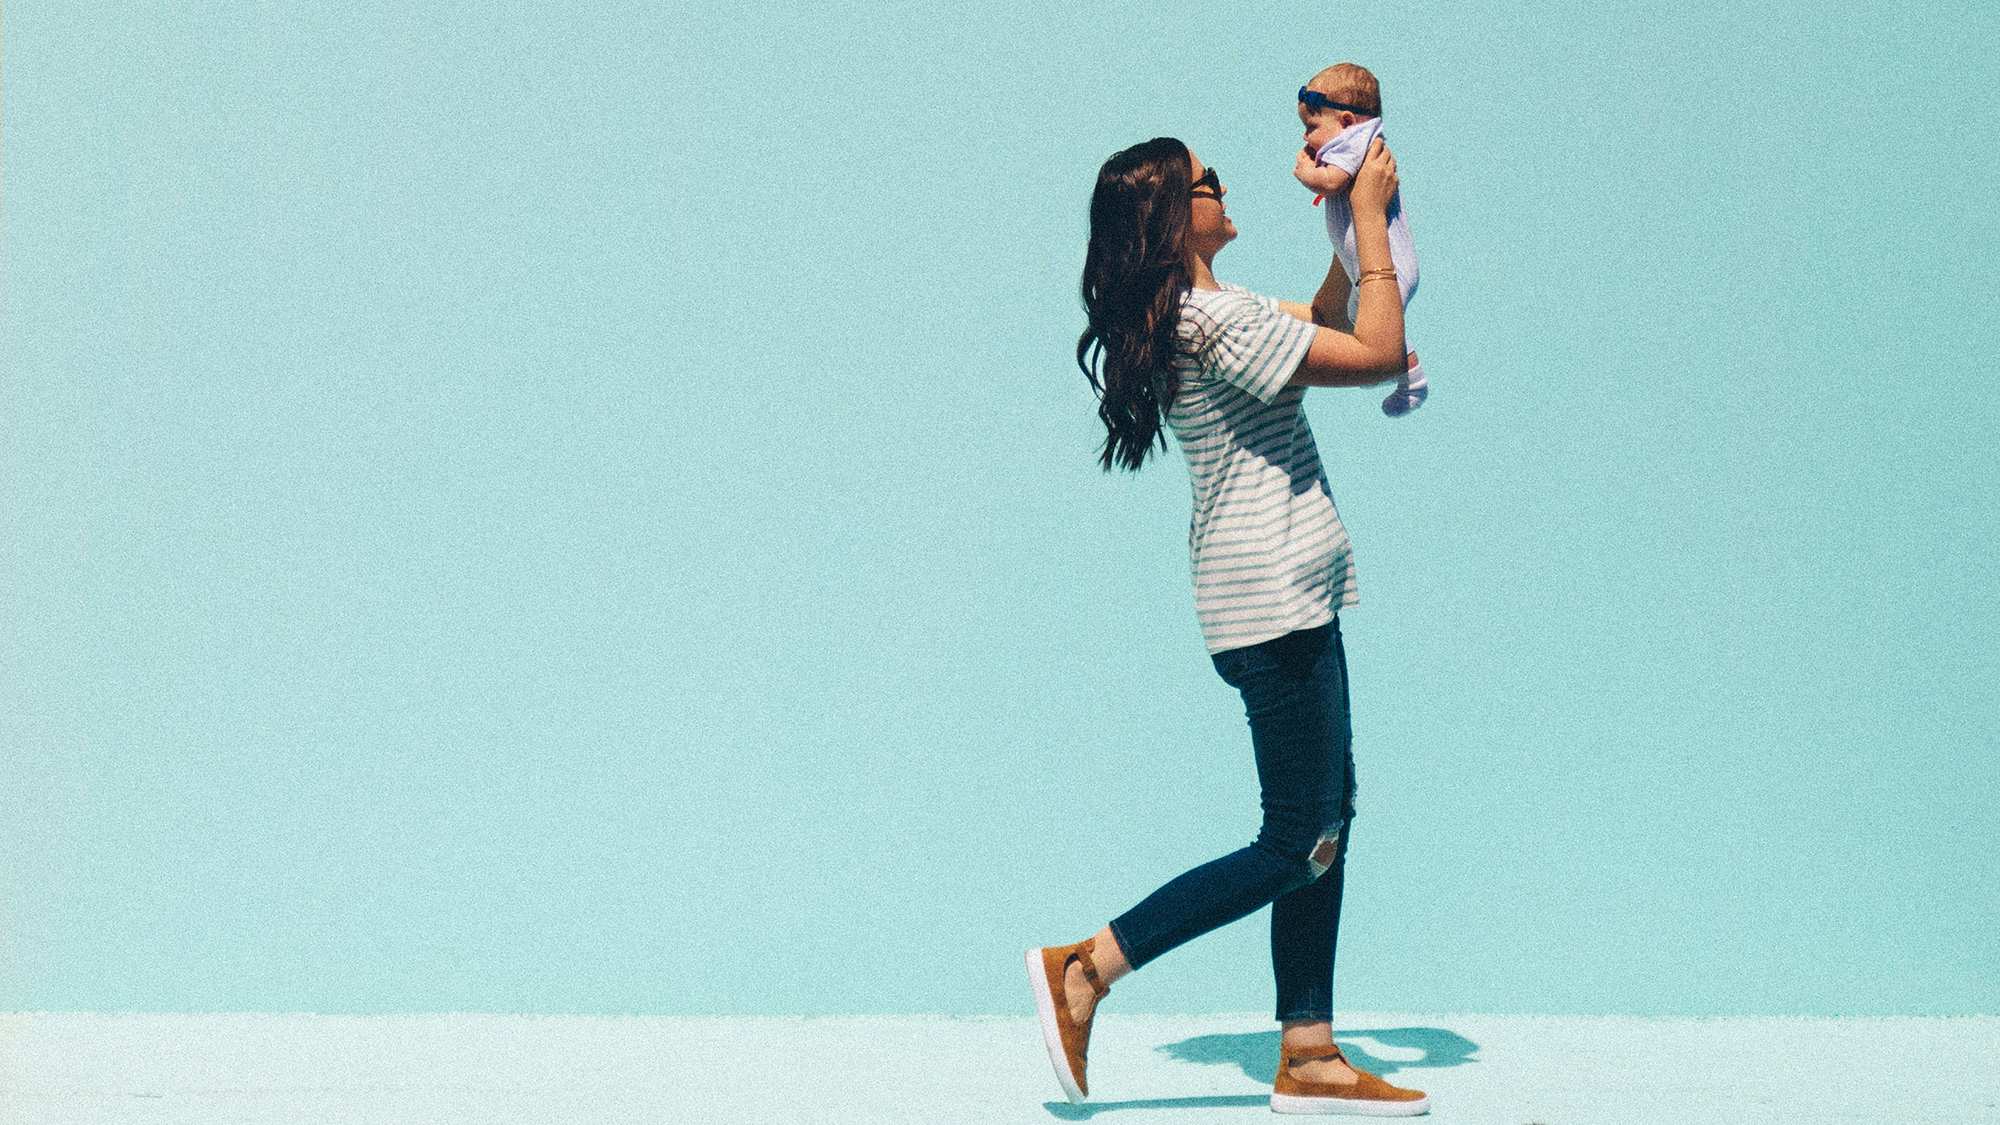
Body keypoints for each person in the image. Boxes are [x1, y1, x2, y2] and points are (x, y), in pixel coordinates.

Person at [1024, 133, 1431, 1117]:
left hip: (1273, 587)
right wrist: (1373, 223)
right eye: (1206, 182)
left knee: (1324, 818)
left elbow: (1329, 318)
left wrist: (1343, 224)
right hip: (1273, 593)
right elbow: (1374, 353)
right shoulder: (1209, 324)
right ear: (1174, 215)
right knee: (1296, 836)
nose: (1222, 187)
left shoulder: (1218, 313)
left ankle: (1308, 1050)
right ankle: (1088, 966)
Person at [1294, 62, 1427, 417]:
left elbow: (1333, 182)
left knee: (1366, 331)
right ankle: (1401, 371)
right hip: (1371, 268)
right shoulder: (1354, 141)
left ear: (1348, 121)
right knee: (1357, 324)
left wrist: (1306, 173)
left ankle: (1410, 375)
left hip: (1389, 267)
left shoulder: (1356, 144)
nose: (1306, 138)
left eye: (1311, 127)